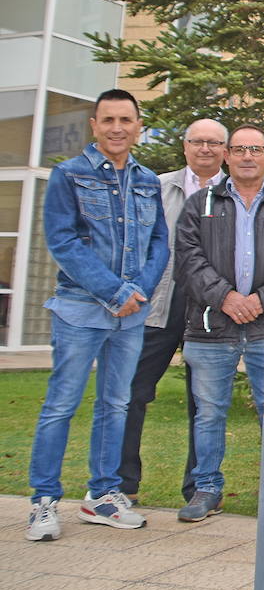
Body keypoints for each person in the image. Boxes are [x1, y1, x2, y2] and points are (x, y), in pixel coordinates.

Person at [26, 89, 169, 541]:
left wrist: (138, 292)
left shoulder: (147, 180)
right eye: (108, 119)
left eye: (126, 120)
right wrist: (115, 290)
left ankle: (103, 496)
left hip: (130, 315)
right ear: (94, 124)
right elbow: (63, 242)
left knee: (116, 404)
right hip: (80, 310)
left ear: (138, 125)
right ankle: (43, 500)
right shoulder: (69, 175)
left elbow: (159, 244)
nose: (117, 128)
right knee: (61, 405)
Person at [174, 124, 264, 523]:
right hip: (210, 327)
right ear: (227, 156)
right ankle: (206, 489)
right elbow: (188, 259)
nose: (247, 156)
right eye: (239, 149)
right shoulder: (200, 204)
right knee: (208, 413)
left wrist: (260, 301)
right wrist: (226, 298)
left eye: (256, 149)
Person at [119, 118, 226, 507]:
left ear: (225, 151)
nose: (206, 149)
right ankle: (122, 483)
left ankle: (199, 488)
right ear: (185, 146)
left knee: (205, 401)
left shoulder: (232, 193)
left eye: (214, 143)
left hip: (209, 305)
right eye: (198, 141)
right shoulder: (158, 187)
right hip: (160, 301)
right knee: (132, 392)